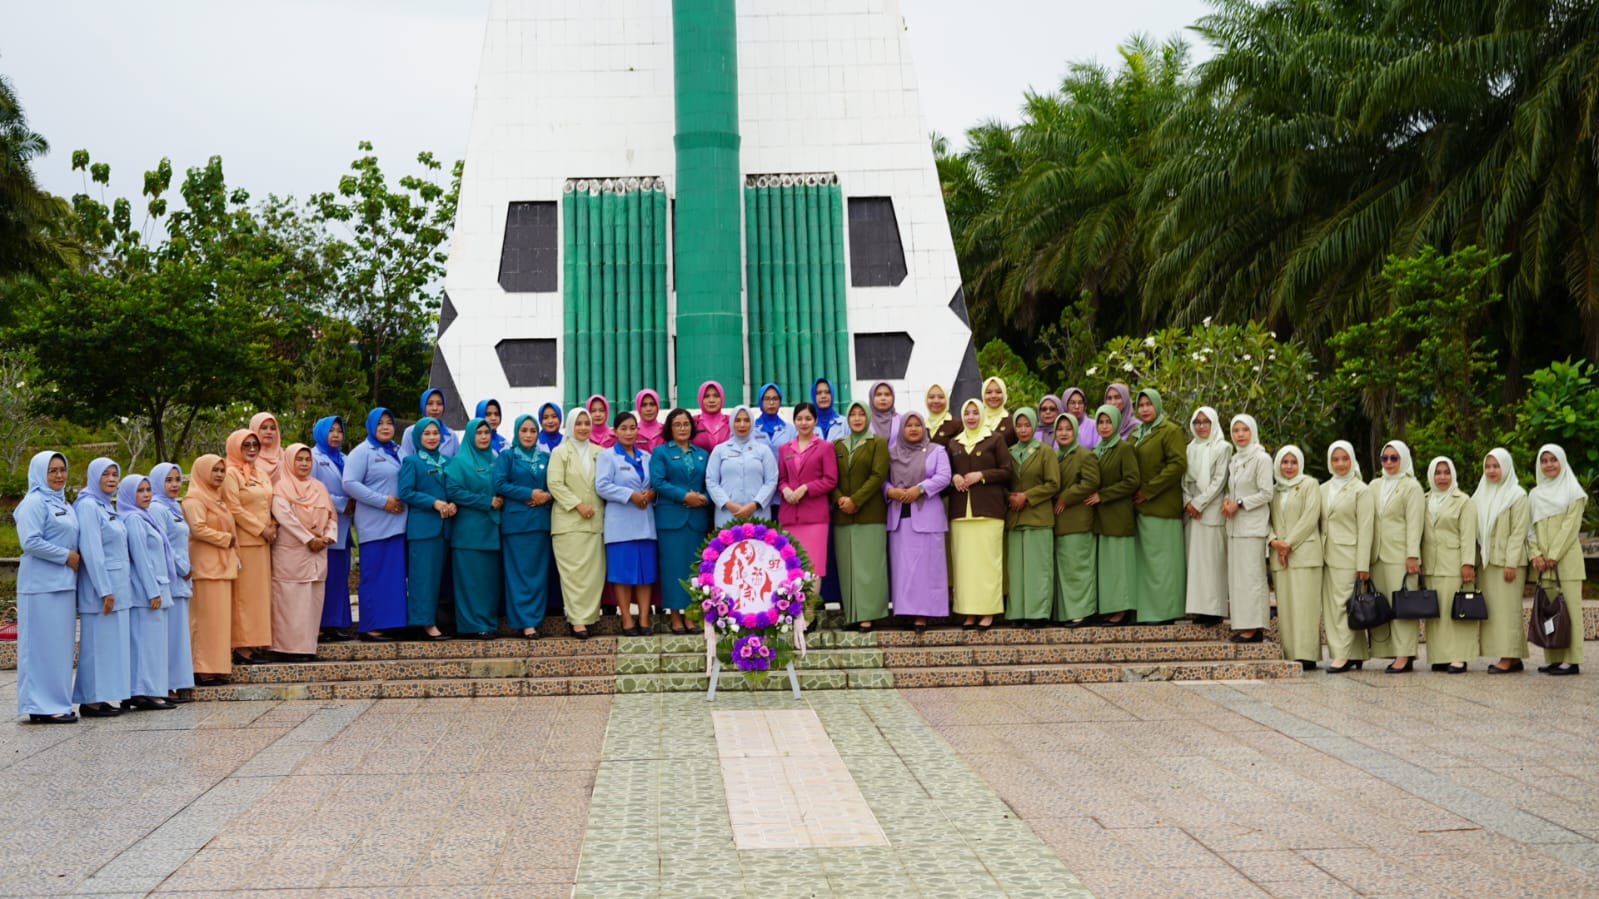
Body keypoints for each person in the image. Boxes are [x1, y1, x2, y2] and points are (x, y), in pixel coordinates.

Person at [15, 451, 81, 723]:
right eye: (52, 470)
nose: (58, 475)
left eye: (62, 470)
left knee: (58, 650)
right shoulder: (33, 502)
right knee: (40, 648)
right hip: (39, 586)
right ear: (40, 472)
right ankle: (39, 706)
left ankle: (57, 702)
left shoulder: (63, 503)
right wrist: (66, 556)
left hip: (63, 585)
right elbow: (29, 541)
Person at [72, 458, 132, 718]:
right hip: (100, 588)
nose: (111, 479)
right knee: (96, 646)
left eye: (114, 474)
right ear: (93, 476)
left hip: (116, 584)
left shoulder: (106, 505)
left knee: (108, 646)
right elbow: (93, 551)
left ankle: (101, 696)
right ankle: (89, 700)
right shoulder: (87, 506)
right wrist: (104, 590)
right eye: (105, 474)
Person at [343, 408, 409, 640]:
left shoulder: (398, 451)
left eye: (389, 423)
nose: (385, 427)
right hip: (375, 525)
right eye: (380, 423)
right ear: (371, 426)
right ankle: (370, 626)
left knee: (393, 578)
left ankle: (391, 623)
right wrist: (383, 502)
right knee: (374, 576)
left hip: (398, 525)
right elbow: (349, 483)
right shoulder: (362, 452)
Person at [948, 398, 1013, 629]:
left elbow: (1007, 471)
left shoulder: (995, 439)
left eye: (976, 412)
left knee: (987, 565)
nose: (971, 417)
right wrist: (953, 477)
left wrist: (981, 475)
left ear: (982, 414)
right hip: (961, 515)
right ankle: (968, 612)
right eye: (967, 413)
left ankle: (988, 611)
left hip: (988, 512)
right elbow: (946, 474)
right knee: (964, 567)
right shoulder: (954, 443)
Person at [886, 411, 952, 632]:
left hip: (926, 516)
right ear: (902, 429)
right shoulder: (892, 453)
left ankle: (923, 615)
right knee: (903, 568)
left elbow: (944, 476)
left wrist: (920, 489)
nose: (913, 429)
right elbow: (882, 480)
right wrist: (891, 491)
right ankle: (905, 611)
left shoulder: (936, 451)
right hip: (899, 515)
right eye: (908, 425)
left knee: (926, 568)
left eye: (917, 425)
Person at [270, 444, 338, 658]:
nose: (303, 464)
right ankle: (285, 648)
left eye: (307, 460)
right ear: (289, 461)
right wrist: (308, 539)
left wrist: (327, 537)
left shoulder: (319, 487)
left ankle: (308, 647)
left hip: (318, 551)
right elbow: (285, 517)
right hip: (292, 552)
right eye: (299, 459)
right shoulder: (281, 488)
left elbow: (331, 516)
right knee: (289, 600)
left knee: (313, 600)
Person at [649, 408, 712, 635]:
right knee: (673, 568)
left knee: (694, 569)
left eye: (686, 424)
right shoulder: (661, 453)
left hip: (696, 519)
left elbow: (712, 481)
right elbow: (658, 482)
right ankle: (675, 615)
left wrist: (704, 497)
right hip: (671, 519)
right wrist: (684, 496)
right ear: (670, 427)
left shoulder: (703, 454)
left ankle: (692, 615)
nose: (682, 428)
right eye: (677, 424)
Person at [496, 414, 558, 639]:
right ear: (516, 432)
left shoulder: (546, 457)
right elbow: (500, 484)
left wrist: (546, 496)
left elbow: (555, 484)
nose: (529, 435)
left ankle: (535, 618)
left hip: (541, 523)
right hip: (516, 525)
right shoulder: (507, 456)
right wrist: (528, 494)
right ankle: (525, 622)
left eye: (533, 430)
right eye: (524, 430)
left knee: (538, 575)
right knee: (519, 574)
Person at [1528, 444, 1587, 675]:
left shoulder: (1574, 491)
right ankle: (1553, 656)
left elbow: (1570, 527)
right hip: (1544, 565)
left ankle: (1572, 660)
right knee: (1548, 610)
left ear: (1562, 462)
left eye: (1553, 459)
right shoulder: (1535, 494)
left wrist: (1553, 555)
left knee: (1570, 610)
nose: (1549, 464)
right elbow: (1528, 530)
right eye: (1544, 460)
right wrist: (1535, 554)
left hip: (1566, 561)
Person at [1130, 388, 1188, 624]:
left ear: (1157, 405)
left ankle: (1165, 612)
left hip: (1162, 506)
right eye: (1141, 405)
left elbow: (1177, 464)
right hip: (1140, 507)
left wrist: (1148, 490)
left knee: (1163, 564)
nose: (1144, 409)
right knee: (1146, 564)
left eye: (1148, 404)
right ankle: (1147, 612)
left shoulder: (1170, 430)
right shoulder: (1137, 433)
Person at [118, 473, 175, 710]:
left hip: (155, 587)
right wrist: (152, 591)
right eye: (140, 491)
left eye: (148, 489)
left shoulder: (145, 517)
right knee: (146, 644)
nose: (146, 495)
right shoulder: (133, 519)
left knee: (152, 643)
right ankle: (145, 692)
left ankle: (146, 691)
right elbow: (140, 558)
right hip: (145, 592)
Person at [832, 401, 891, 631]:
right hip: (843, 516)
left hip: (870, 513)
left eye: (861, 414)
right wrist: (840, 499)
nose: (857, 418)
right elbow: (830, 477)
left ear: (867, 417)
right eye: (852, 414)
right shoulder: (838, 445)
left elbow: (878, 475)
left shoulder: (877, 443)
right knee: (849, 567)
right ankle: (853, 615)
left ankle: (868, 615)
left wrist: (855, 500)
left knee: (869, 566)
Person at [597, 412, 657, 635]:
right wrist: (630, 494)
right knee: (622, 575)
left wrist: (652, 493)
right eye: (624, 428)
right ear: (615, 431)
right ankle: (626, 619)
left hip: (645, 523)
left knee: (645, 575)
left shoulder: (647, 457)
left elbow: (655, 484)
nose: (629, 432)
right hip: (620, 526)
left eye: (633, 428)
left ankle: (643, 619)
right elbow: (601, 486)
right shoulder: (608, 457)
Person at [446, 418, 506, 638]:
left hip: (492, 530)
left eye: (486, 433)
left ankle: (487, 623)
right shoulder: (459, 462)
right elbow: (454, 491)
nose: (483, 437)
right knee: (470, 581)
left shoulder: (496, 458)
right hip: (469, 533)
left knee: (488, 581)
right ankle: (471, 625)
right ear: (470, 435)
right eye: (478, 433)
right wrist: (485, 501)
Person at [1368, 440, 1424, 673]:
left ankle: (1405, 654)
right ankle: (1390, 651)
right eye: (1385, 458)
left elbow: (1415, 523)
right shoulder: (1374, 485)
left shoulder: (1412, 487)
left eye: (1394, 458)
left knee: (1403, 606)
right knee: (1384, 606)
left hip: (1401, 555)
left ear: (1404, 459)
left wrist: (1412, 555)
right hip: (1378, 555)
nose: (1389, 462)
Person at [183, 454, 239, 687]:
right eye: (214, 470)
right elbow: (197, 529)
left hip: (222, 566)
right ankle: (202, 668)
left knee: (219, 621)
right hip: (205, 567)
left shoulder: (218, 499)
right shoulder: (194, 500)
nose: (218, 475)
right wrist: (225, 539)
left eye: (221, 470)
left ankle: (218, 667)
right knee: (205, 620)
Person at [1472, 448, 1529, 673]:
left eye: (1496, 466)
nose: (1491, 470)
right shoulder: (1480, 494)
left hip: (1508, 563)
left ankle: (1507, 657)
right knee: (1495, 612)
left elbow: (1519, 532)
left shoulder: (1517, 495)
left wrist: (1511, 562)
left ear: (1505, 467)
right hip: (1488, 563)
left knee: (1509, 610)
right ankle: (1513, 657)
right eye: (1488, 466)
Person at [549, 408, 605, 638]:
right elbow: (554, 484)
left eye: (587, 423)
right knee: (573, 574)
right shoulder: (560, 452)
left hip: (595, 522)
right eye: (578, 423)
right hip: (568, 524)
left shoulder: (600, 452)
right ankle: (577, 620)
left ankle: (590, 616)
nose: (583, 427)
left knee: (593, 574)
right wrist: (577, 504)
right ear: (571, 425)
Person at [1420, 457, 1478, 673]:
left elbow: (1468, 535)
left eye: (1446, 472)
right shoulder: (1424, 499)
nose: (1442, 477)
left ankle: (1459, 657)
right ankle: (1440, 656)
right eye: (1438, 473)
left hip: (1454, 564)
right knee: (1437, 613)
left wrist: (1467, 563)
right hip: (1431, 565)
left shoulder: (1463, 501)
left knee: (1457, 611)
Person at [399, 418, 454, 640]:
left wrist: (453, 503)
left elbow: (455, 488)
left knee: (437, 579)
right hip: (423, 529)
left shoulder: (448, 462)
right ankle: (424, 623)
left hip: (445, 529)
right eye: (427, 434)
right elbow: (406, 492)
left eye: (435, 433)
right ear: (418, 437)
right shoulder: (412, 462)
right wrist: (434, 502)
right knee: (422, 578)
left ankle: (434, 620)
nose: (432, 437)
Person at [1269, 446, 1324, 669]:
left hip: (1304, 553)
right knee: (1287, 605)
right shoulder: (1273, 489)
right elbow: (1266, 520)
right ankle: (1290, 654)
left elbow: (1310, 517)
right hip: (1280, 554)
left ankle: (1307, 655)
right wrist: (1274, 541)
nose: (1289, 466)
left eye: (1293, 462)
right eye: (1284, 462)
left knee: (1306, 605)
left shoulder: (1309, 484)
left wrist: (1288, 544)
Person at [1321, 441, 1373, 673]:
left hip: (1348, 555)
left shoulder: (1361, 490)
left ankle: (1342, 655)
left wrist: (1363, 564)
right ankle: (1357, 653)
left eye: (1344, 459)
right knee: (1334, 607)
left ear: (1352, 460)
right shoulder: (1322, 488)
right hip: (1326, 555)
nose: (1340, 464)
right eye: (1335, 459)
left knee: (1344, 605)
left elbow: (1366, 528)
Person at [222, 428, 274, 663]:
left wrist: (273, 526)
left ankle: (255, 643)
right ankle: (241, 646)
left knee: (259, 597)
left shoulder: (261, 473)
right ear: (235, 447)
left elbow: (268, 502)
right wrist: (260, 528)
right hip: (245, 541)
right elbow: (233, 507)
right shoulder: (230, 473)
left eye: (255, 445)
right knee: (244, 596)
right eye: (246, 445)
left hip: (263, 543)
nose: (252, 449)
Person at [1005, 407, 1060, 627]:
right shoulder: (1009, 452)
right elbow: (1003, 481)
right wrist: (1010, 497)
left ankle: (1037, 614)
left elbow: (1053, 484)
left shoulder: (1045, 451)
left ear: (1034, 426)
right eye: (1019, 425)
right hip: (1015, 519)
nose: (1023, 429)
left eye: (1027, 425)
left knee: (1038, 569)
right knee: (1017, 571)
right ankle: (1018, 613)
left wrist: (1026, 497)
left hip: (1038, 517)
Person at [1222, 414, 1273, 643]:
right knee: (1239, 579)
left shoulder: (1261, 458)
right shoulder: (1234, 460)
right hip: (1234, 527)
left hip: (1252, 528)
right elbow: (1232, 488)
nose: (1240, 435)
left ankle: (1254, 628)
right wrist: (1227, 500)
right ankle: (1243, 625)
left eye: (1244, 430)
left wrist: (1240, 503)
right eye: (1235, 430)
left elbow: (1266, 493)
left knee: (1252, 578)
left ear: (1252, 431)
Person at [1088, 406, 1139, 625]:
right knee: (1108, 567)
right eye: (1101, 422)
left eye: (1109, 422)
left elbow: (1132, 481)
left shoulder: (1124, 448)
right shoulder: (1097, 450)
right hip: (1101, 517)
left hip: (1118, 514)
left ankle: (1122, 609)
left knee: (1119, 566)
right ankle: (1110, 608)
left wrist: (1103, 495)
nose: (1104, 426)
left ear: (1117, 423)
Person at [777, 402, 840, 581]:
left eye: (808, 419)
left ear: (815, 421)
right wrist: (785, 489)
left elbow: (830, 479)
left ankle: (810, 609)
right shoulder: (784, 449)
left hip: (815, 518)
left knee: (813, 568)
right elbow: (780, 479)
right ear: (794, 421)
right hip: (790, 516)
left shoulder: (825, 447)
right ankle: (795, 609)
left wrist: (806, 488)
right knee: (791, 567)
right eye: (799, 419)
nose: (804, 423)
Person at [149, 462, 195, 701]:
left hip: (181, 580)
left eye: (177, 479)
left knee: (178, 636)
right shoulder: (157, 508)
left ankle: (176, 682)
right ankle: (165, 685)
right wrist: (183, 567)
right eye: (168, 480)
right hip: (171, 577)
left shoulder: (173, 507)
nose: (175, 484)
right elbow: (164, 544)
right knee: (169, 637)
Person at [1182, 406, 1230, 626]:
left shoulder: (1223, 447)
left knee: (1212, 563)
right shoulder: (1189, 448)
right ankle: (1198, 609)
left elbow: (1219, 481)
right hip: (1192, 512)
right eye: (1197, 422)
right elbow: (1184, 481)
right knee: (1196, 564)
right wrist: (1188, 503)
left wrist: (1199, 503)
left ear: (1214, 423)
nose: (1201, 426)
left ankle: (1214, 610)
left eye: (1205, 422)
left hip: (1210, 512)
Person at [1051, 414, 1100, 626]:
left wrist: (1066, 497)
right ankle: (1065, 612)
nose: (1063, 433)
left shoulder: (1084, 455)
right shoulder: (1052, 455)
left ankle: (1082, 612)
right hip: (1058, 520)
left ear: (1075, 431)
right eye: (1059, 429)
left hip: (1078, 519)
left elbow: (1091, 481)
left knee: (1078, 567)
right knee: (1064, 568)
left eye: (1068, 429)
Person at [310, 416, 355, 642]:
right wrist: (342, 503)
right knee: (327, 577)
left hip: (345, 525)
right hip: (324, 524)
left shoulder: (345, 458)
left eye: (339, 430)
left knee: (340, 576)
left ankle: (337, 622)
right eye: (331, 430)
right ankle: (324, 623)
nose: (336, 435)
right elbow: (314, 490)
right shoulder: (313, 458)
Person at [708, 406, 779, 525]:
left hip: (757, 513)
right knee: (728, 543)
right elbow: (711, 481)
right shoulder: (720, 450)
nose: (742, 424)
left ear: (752, 423)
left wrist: (754, 504)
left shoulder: (763, 450)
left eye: (746, 420)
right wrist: (729, 504)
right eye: (737, 420)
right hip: (728, 514)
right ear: (731, 423)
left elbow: (771, 481)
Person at [400, 388, 460, 459]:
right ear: (422, 405)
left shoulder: (451, 435)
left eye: (439, 404)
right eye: (430, 403)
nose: (435, 408)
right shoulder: (410, 432)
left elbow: (456, 464)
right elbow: (405, 461)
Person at [753, 383, 795, 458]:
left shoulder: (790, 430)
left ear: (780, 401)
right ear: (760, 401)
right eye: (767, 399)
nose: (771, 403)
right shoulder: (751, 428)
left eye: (775, 399)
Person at [692, 381, 731, 451]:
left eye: (716, 396)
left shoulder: (731, 422)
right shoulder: (692, 422)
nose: (711, 400)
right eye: (706, 396)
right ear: (700, 398)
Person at [979, 376, 1016, 446]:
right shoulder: (975, 419)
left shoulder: (1012, 421)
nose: (993, 396)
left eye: (998, 392)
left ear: (1004, 394)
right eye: (989, 392)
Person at [249, 412, 285, 482]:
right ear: (254, 429)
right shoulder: (247, 456)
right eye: (264, 428)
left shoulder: (284, 455)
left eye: (273, 428)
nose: (269, 432)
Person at [924, 383, 961, 448]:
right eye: (931, 397)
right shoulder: (921, 425)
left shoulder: (957, 425)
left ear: (947, 399)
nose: (936, 401)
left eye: (941, 397)